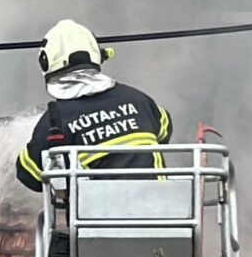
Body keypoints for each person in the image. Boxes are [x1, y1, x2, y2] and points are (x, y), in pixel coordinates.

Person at [15, 19, 173, 192]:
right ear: (97, 55)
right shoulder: (138, 99)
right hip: (163, 213)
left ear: (46, 62)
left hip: (99, 218)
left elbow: (29, 174)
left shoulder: (56, 120)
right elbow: (164, 130)